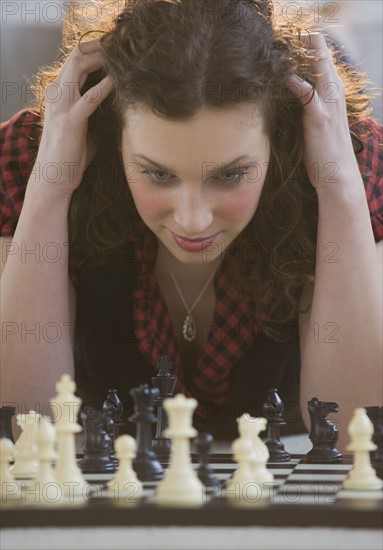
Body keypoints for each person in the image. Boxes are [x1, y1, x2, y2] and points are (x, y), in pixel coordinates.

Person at [1, 0, 382, 448]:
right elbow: (23, 431)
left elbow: (359, 438)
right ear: (110, 135)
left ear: (281, 143)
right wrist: (51, 188)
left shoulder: (349, 160)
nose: (193, 219)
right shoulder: (31, 158)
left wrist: (338, 186)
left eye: (230, 174)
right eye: (158, 173)